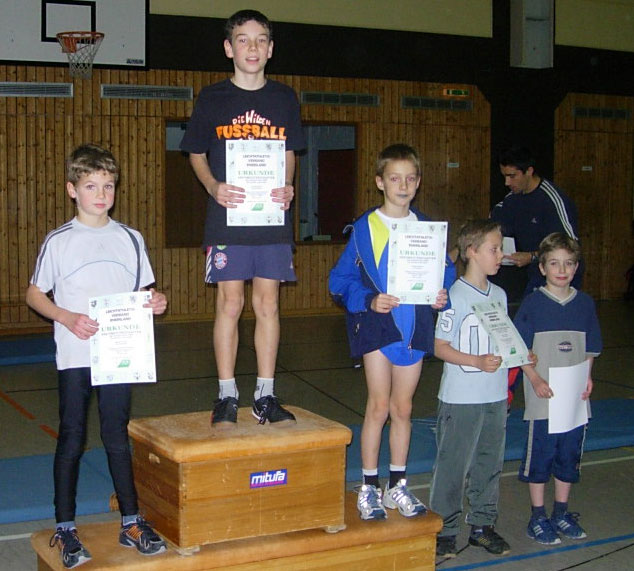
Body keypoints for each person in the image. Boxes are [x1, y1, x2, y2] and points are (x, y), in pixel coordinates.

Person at [26, 144, 168, 569]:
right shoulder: (60, 241)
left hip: (118, 354)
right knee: (72, 436)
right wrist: (66, 316)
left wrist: (155, 301)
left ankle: (131, 521)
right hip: (76, 354)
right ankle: (65, 528)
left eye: (108, 185)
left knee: (116, 436)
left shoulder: (130, 238)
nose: (101, 194)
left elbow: (142, 291)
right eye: (91, 186)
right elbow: (34, 294)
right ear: (72, 190)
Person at [180, 9, 306, 425]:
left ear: (270, 49)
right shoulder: (212, 98)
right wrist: (213, 187)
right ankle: (226, 394)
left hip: (271, 219)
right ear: (228, 48)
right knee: (230, 303)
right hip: (228, 219)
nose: (252, 47)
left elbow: (289, 151)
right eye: (243, 39)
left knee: (268, 304)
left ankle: (266, 395)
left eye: (260, 40)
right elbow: (195, 152)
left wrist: (287, 185)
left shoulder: (284, 98)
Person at [329, 143, 453, 521]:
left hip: (413, 328)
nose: (403, 186)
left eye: (410, 179)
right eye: (395, 179)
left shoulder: (428, 229)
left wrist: (441, 294)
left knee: (403, 409)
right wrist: (369, 299)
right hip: (378, 327)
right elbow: (339, 281)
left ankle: (397, 484)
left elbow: (445, 273)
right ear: (380, 182)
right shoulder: (364, 228)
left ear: (418, 182)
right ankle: (369, 485)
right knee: (378, 406)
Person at [430, 220, 511, 558]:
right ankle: (444, 530)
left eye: (501, 248)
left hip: (495, 395)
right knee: (453, 466)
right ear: (472, 251)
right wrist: (475, 361)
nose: (501, 255)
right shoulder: (455, 296)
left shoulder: (500, 295)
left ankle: (482, 525)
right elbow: (440, 347)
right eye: (495, 249)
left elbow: (504, 339)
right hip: (461, 398)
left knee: (489, 463)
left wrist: (521, 356)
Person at [514, 233, 601, 545]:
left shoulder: (585, 304)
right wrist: (534, 378)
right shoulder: (533, 304)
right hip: (543, 398)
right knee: (540, 458)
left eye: (568, 263)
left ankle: (561, 512)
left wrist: (588, 376)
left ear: (576, 267)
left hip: (575, 398)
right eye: (554, 263)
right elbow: (518, 349)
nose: (561, 270)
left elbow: (590, 347)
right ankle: (537, 516)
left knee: (568, 456)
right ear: (542, 268)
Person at [491, 146, 581, 299]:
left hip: (561, 275)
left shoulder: (552, 199)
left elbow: (571, 245)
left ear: (529, 171)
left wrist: (532, 256)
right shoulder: (512, 199)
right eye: (504, 176)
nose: (507, 182)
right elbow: (494, 224)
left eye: (512, 176)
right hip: (536, 273)